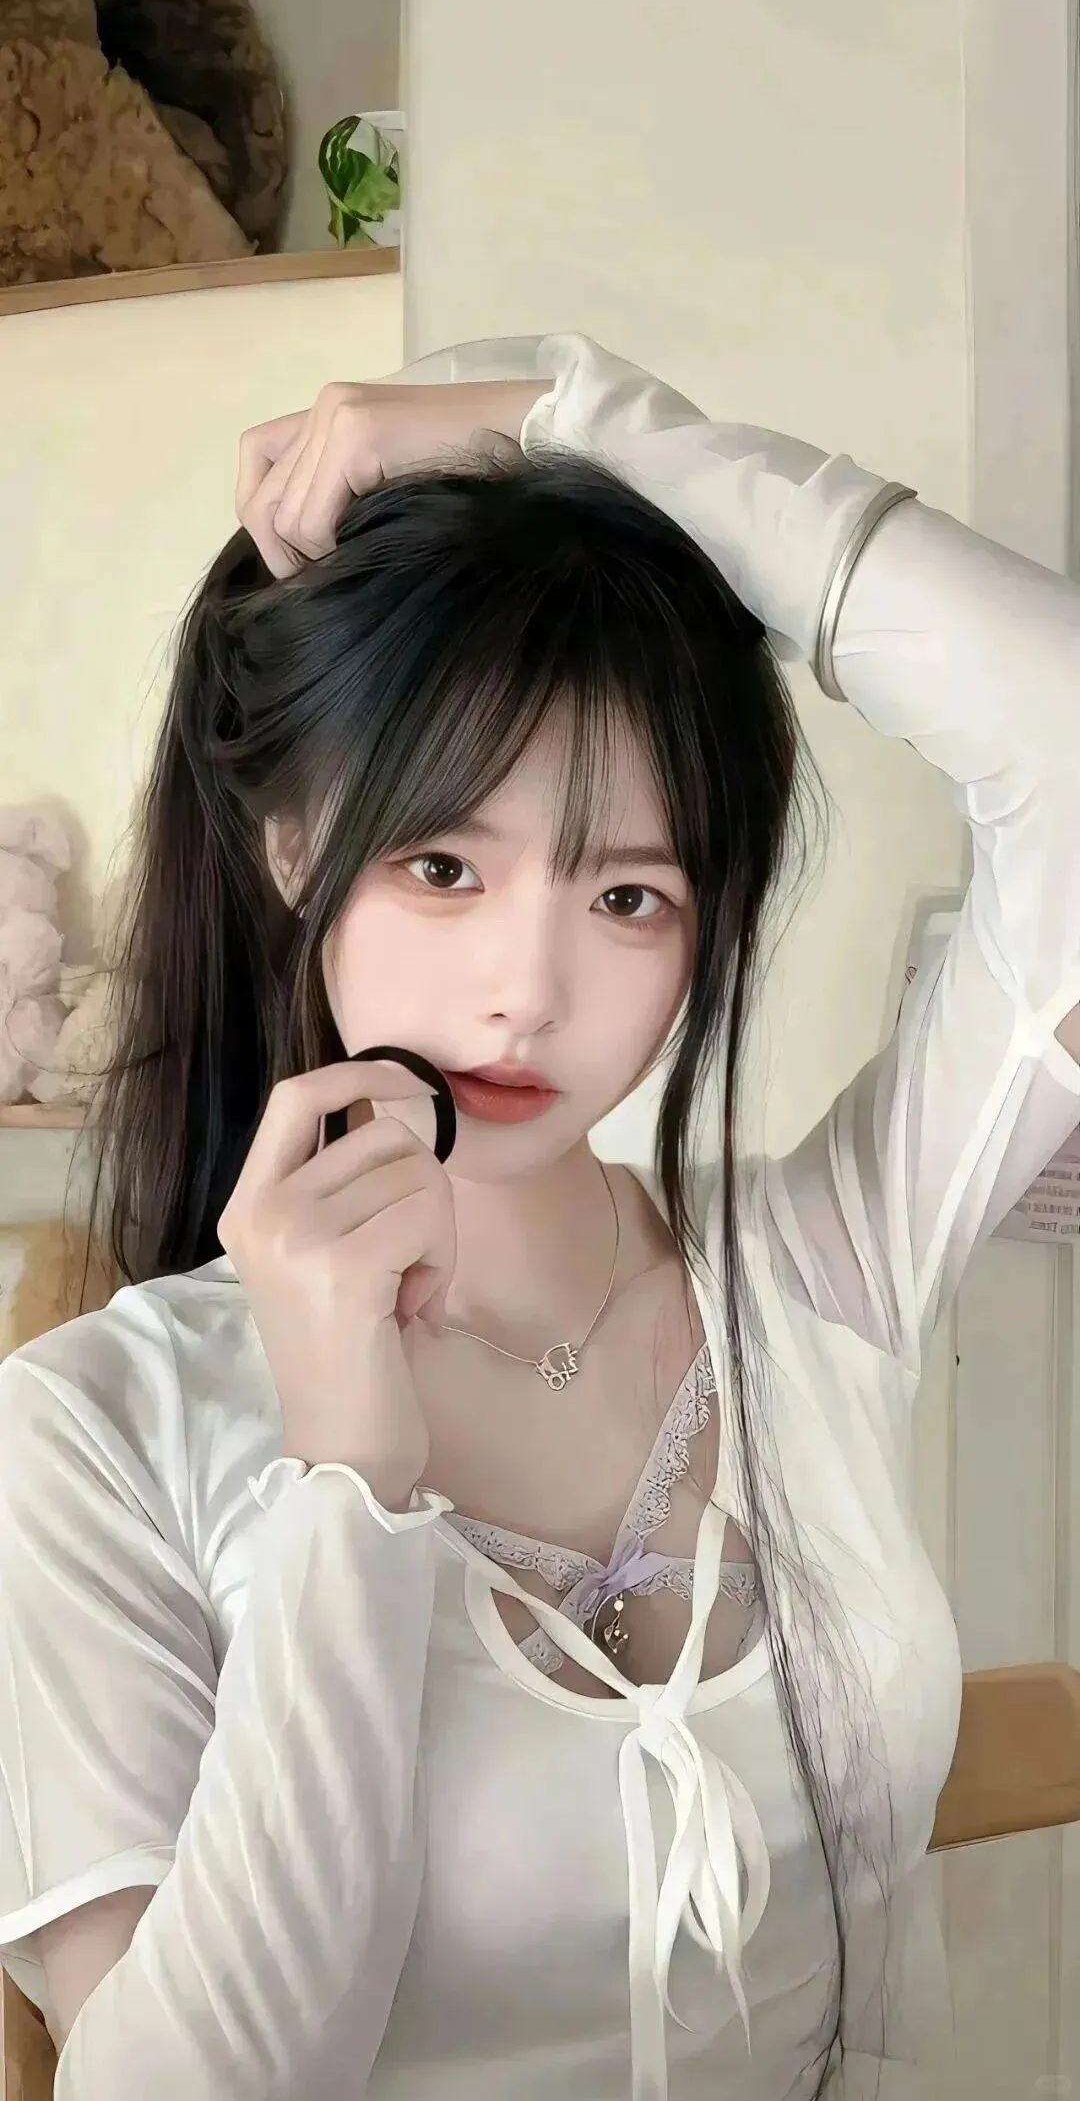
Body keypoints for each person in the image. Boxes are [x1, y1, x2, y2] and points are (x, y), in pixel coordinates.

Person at [0, 331, 1077, 2101]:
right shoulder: (97, 1433)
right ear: (294, 852)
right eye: (443, 868)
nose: (528, 993)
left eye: (628, 895)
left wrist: (574, 418)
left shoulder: (814, 1272)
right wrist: (348, 1478)